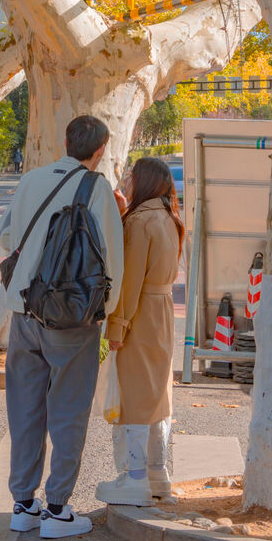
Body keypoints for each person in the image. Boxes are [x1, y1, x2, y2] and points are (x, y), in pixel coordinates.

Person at [0, 115, 124, 538]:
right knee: (68, 410)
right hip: (71, 317)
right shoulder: (97, 188)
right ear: (101, 149)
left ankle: (23, 504)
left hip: (23, 312)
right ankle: (57, 509)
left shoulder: (31, 179)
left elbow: (3, 236)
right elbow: (112, 261)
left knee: (25, 408)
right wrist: (107, 313)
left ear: (66, 140)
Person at [96, 157, 184, 506]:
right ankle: (157, 473)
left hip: (140, 311)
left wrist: (117, 325)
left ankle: (134, 479)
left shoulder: (139, 220)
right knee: (157, 392)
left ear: (143, 181)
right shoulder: (168, 218)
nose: (127, 181)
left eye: (131, 175)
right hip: (162, 310)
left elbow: (129, 281)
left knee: (133, 393)